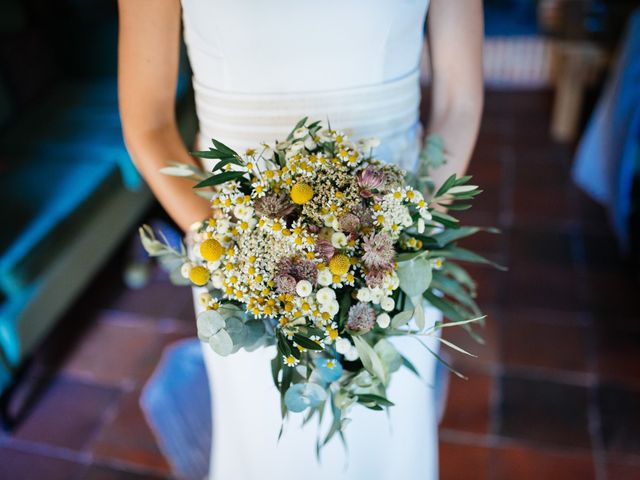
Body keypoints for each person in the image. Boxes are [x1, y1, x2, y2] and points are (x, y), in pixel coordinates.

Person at [118, 1, 483, 478]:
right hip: (237, 259)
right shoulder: (239, 261)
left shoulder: (397, 248)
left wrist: (403, 238)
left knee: (387, 438)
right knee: (265, 439)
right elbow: (149, 125)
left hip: (390, 254)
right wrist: (241, 256)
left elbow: (460, 101)